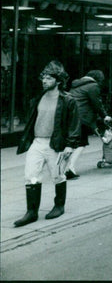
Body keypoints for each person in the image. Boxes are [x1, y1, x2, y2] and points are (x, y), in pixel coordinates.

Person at [14, 61, 80, 226]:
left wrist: (70, 145)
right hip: (37, 142)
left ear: (58, 81)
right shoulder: (38, 98)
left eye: (49, 78)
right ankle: (32, 212)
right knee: (31, 176)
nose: (44, 81)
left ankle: (59, 206)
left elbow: (74, 124)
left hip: (56, 144)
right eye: (43, 77)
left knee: (58, 175)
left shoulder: (68, 100)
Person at [65, 69, 110, 179]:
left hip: (69, 116)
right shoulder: (93, 86)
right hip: (81, 118)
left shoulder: (76, 85)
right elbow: (97, 103)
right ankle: (69, 168)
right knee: (81, 143)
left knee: (70, 142)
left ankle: (63, 167)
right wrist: (105, 116)